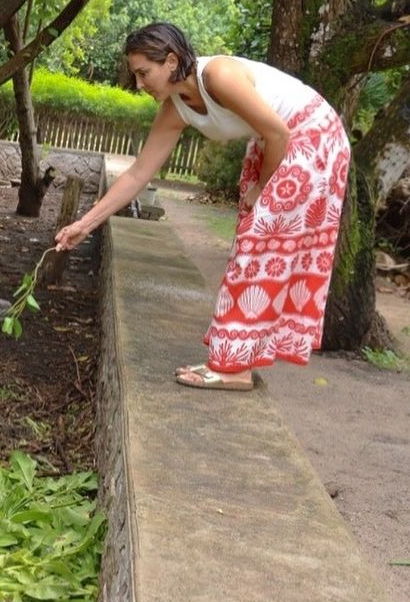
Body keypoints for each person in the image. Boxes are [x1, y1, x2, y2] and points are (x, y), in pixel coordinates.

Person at [54, 22, 352, 389]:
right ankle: (237, 358)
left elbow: (279, 132)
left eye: (144, 73)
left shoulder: (218, 75)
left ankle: (233, 368)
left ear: (171, 60)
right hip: (276, 140)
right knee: (253, 246)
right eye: (135, 76)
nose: (139, 84)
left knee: (258, 245)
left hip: (313, 136)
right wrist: (86, 223)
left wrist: (262, 185)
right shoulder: (175, 108)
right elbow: (137, 174)